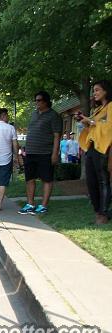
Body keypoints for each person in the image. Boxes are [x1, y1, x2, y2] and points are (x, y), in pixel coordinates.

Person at [18, 91, 62, 215]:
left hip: (45, 153)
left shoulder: (54, 116)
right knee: (29, 178)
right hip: (31, 152)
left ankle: (43, 205)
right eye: (35, 100)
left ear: (46, 101)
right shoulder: (34, 114)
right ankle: (30, 204)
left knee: (46, 179)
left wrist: (54, 154)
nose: (36, 102)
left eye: (39, 100)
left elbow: (57, 136)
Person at [75, 79, 112, 225]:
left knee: (103, 181)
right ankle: (98, 211)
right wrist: (86, 121)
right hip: (91, 148)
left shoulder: (110, 106)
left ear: (106, 91)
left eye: (97, 90)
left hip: (102, 148)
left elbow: (109, 127)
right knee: (91, 181)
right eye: (94, 90)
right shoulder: (97, 110)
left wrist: (90, 122)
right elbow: (94, 126)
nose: (94, 93)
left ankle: (102, 214)